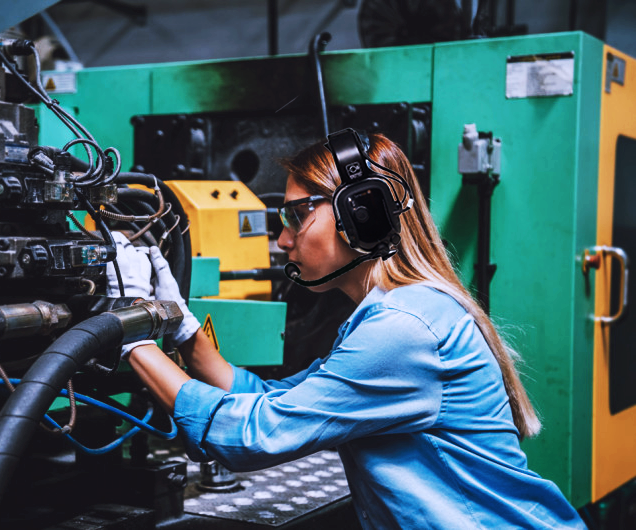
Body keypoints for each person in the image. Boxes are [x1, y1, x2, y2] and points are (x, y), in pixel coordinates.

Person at [109, 133, 586, 529]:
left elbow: (251, 435)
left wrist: (130, 324)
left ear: (362, 212)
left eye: (297, 215)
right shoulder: (395, 313)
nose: (283, 239)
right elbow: (270, 400)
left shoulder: (402, 330)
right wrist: (180, 325)